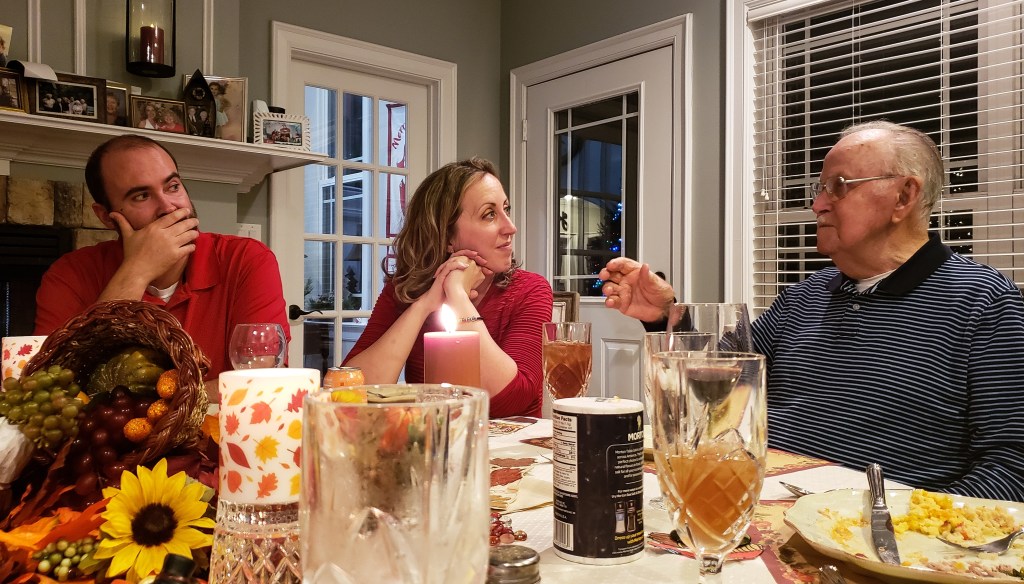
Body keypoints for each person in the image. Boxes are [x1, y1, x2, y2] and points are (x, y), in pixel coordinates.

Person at [600, 120, 1024, 502]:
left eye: (837, 185)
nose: (818, 205)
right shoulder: (805, 295)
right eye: (819, 189)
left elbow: (1012, 468)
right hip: (755, 503)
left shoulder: (985, 303)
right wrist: (664, 315)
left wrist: (906, 524)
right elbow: (716, 387)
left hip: (873, 533)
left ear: (904, 196)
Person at [34, 135, 290, 383]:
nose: (168, 206)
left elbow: (262, 379)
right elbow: (51, 385)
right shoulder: (69, 274)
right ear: (105, 216)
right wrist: (136, 272)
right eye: (141, 196)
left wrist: (164, 404)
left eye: (173, 186)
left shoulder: (247, 259)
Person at [344, 157, 552, 418]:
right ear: (447, 237)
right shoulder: (405, 291)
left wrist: (457, 294)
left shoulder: (530, 290)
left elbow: (512, 401)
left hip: (512, 453)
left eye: (505, 210)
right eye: (490, 214)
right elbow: (349, 393)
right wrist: (423, 306)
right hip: (431, 449)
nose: (511, 227)